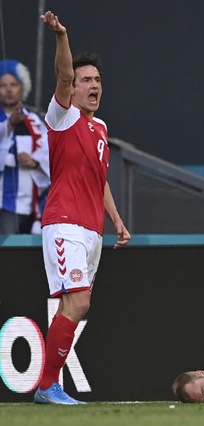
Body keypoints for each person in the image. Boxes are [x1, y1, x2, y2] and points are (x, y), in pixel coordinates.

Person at [34, 11, 131, 405]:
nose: (93, 86)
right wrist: (61, 36)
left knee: (73, 307)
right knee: (79, 302)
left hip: (93, 230)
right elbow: (62, 75)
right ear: (72, 90)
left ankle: (49, 386)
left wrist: (118, 221)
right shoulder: (62, 117)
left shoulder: (101, 128)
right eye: (85, 80)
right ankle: (46, 387)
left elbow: (99, 179)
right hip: (65, 223)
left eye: (97, 81)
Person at [0, 59, 50, 234]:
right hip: (4, 206)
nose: (8, 90)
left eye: (13, 84)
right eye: (3, 85)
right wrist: (9, 125)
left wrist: (35, 162)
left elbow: (50, 153)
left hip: (33, 207)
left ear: (22, 88)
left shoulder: (34, 121)